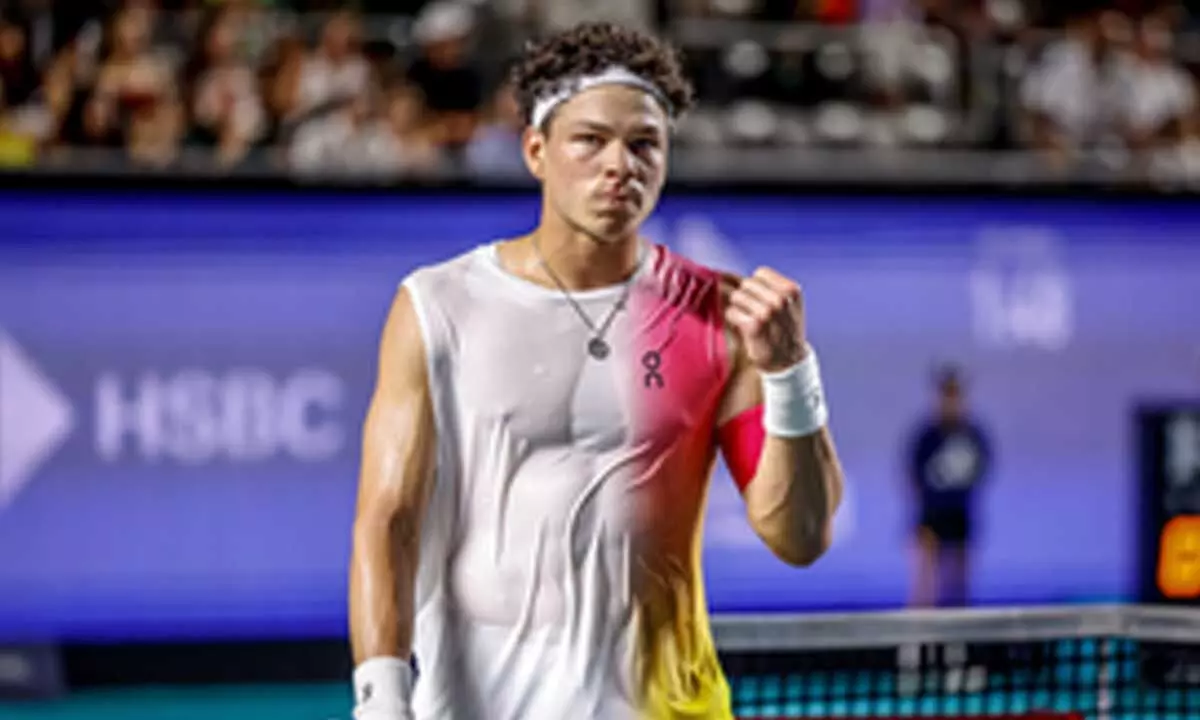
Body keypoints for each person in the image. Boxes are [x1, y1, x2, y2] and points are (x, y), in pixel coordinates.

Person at [348, 22, 845, 720]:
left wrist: (791, 374)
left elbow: (800, 537)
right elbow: (389, 519)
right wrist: (381, 701)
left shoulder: (724, 317)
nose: (621, 165)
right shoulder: (437, 305)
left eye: (644, 144)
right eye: (591, 140)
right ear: (536, 150)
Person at [906, 365, 992, 609]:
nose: (951, 401)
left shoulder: (973, 434)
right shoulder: (927, 435)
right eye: (947, 394)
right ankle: (920, 621)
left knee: (960, 575)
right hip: (931, 512)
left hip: (960, 511)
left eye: (955, 394)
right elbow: (913, 471)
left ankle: (962, 614)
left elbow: (983, 468)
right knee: (926, 572)